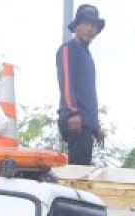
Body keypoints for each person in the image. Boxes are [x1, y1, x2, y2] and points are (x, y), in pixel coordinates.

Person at [56, 4, 105, 166]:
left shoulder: (87, 55)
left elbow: (89, 95)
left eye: (94, 25)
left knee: (82, 170)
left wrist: (96, 126)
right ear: (76, 26)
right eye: (86, 23)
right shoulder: (68, 49)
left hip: (86, 124)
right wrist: (72, 113)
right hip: (75, 121)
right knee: (77, 173)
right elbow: (66, 82)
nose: (91, 28)